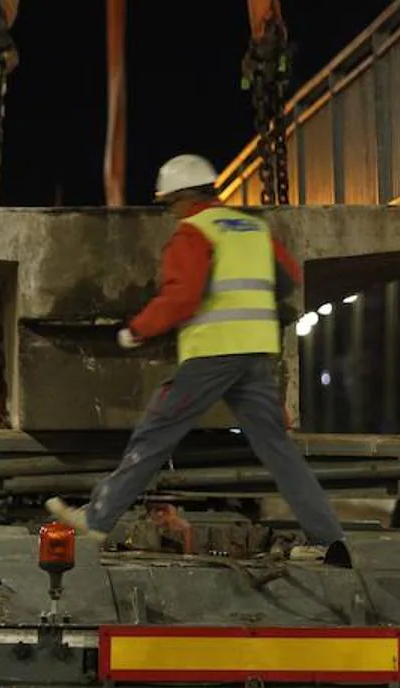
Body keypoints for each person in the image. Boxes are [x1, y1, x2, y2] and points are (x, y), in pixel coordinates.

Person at [45, 153, 350, 567]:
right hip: (254, 355)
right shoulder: (253, 229)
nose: (172, 214)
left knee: (154, 435)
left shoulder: (194, 233)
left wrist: (137, 329)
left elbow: (183, 297)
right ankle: (329, 541)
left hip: (212, 354)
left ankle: (98, 518)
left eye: (170, 204)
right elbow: (287, 277)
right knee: (279, 450)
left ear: (185, 197)